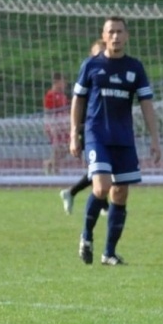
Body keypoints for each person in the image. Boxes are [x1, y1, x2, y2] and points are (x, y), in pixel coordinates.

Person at [69, 18, 160, 265]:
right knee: (101, 188)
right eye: (111, 32)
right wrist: (73, 133)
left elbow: (146, 104)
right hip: (96, 135)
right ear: (104, 35)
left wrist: (155, 138)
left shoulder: (135, 67)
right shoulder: (91, 65)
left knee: (120, 194)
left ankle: (109, 253)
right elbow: (78, 100)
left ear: (126, 36)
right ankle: (86, 237)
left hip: (124, 138)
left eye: (120, 32)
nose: (116, 36)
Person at [61, 41, 106, 214]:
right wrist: (76, 132)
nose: (101, 57)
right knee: (98, 168)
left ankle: (75, 194)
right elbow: (78, 104)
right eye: (97, 53)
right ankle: (101, 205)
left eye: (103, 53)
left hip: (107, 129)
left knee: (102, 168)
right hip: (89, 129)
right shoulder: (89, 76)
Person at [43, 71, 72, 174]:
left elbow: (66, 111)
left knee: (68, 147)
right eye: (63, 82)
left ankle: (50, 163)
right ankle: (55, 168)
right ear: (57, 82)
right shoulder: (50, 95)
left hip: (64, 125)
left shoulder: (63, 96)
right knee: (58, 147)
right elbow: (48, 112)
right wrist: (49, 127)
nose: (65, 85)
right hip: (55, 125)